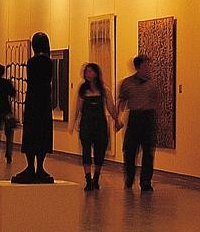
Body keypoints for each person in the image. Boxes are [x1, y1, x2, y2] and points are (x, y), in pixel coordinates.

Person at [69, 62, 120, 191]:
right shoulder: (83, 89)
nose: (88, 74)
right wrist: (74, 122)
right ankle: (88, 180)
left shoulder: (104, 89)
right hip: (86, 124)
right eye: (86, 71)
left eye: (90, 71)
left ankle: (96, 178)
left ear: (96, 73)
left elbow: (110, 106)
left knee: (100, 151)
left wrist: (116, 120)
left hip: (100, 124)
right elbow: (78, 108)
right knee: (86, 151)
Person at [14, 32, 54, 184]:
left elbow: (32, 82)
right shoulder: (49, 62)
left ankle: (31, 167)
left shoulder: (32, 62)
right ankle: (40, 168)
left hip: (33, 102)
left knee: (31, 134)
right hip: (44, 103)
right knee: (43, 134)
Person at [118, 55, 161, 192]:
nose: (149, 68)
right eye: (146, 65)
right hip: (135, 117)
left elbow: (157, 102)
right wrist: (117, 118)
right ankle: (129, 178)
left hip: (148, 117)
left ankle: (146, 182)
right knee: (130, 151)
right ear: (139, 67)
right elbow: (122, 102)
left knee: (148, 151)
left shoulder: (153, 84)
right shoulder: (127, 83)